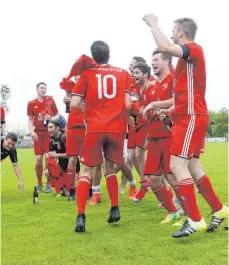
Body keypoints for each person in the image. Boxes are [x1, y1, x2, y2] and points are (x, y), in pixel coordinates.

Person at [143, 15, 228, 237]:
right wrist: (171, 109)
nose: (171, 34)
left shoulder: (193, 49)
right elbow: (187, 91)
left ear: (181, 32)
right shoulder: (187, 59)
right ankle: (219, 209)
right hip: (188, 114)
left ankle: (195, 218)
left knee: (177, 166)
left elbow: (164, 46)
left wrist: (153, 23)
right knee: (192, 167)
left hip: (191, 117)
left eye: (173, 31)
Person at [71, 40, 131, 232]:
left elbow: (73, 104)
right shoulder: (124, 73)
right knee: (110, 169)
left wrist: (87, 106)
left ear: (93, 56)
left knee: (86, 171)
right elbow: (128, 105)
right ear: (109, 54)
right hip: (115, 128)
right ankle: (114, 208)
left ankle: (81, 216)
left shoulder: (87, 74)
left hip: (95, 127)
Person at [144, 49, 180, 223]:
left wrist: (154, 104)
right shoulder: (151, 86)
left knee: (172, 176)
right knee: (153, 179)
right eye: (152, 60)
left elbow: (178, 101)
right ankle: (172, 210)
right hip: (153, 137)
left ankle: (187, 210)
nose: (153, 63)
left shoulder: (174, 80)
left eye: (156, 59)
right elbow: (147, 110)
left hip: (169, 135)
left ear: (166, 61)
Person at [27, 82, 59, 193]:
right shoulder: (31, 103)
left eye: (45, 88)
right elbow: (30, 119)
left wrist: (51, 117)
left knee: (48, 158)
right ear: (37, 89)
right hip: (38, 134)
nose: (43, 90)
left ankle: (49, 183)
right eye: (41, 88)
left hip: (49, 133)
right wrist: (31, 132)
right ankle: (39, 183)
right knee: (39, 159)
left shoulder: (50, 101)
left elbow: (57, 114)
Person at [128, 62, 152, 201]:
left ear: (144, 74)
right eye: (132, 70)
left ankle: (145, 184)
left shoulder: (150, 85)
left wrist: (146, 109)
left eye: (135, 71)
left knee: (139, 153)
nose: (132, 73)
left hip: (146, 124)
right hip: (134, 125)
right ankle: (145, 181)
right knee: (132, 155)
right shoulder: (132, 87)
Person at [46, 120, 80, 196]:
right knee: (47, 173)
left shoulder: (65, 137)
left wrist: (56, 155)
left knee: (71, 192)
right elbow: (52, 155)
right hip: (62, 166)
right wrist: (49, 168)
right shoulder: (51, 140)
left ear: (57, 128)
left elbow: (73, 154)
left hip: (73, 167)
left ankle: (69, 187)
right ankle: (62, 189)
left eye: (51, 127)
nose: (49, 130)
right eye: (48, 128)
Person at [63, 85, 85, 201]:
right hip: (72, 129)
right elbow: (68, 110)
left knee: (86, 161)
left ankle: (88, 189)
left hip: (84, 129)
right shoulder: (71, 92)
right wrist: (67, 102)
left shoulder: (87, 89)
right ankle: (71, 190)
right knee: (72, 160)